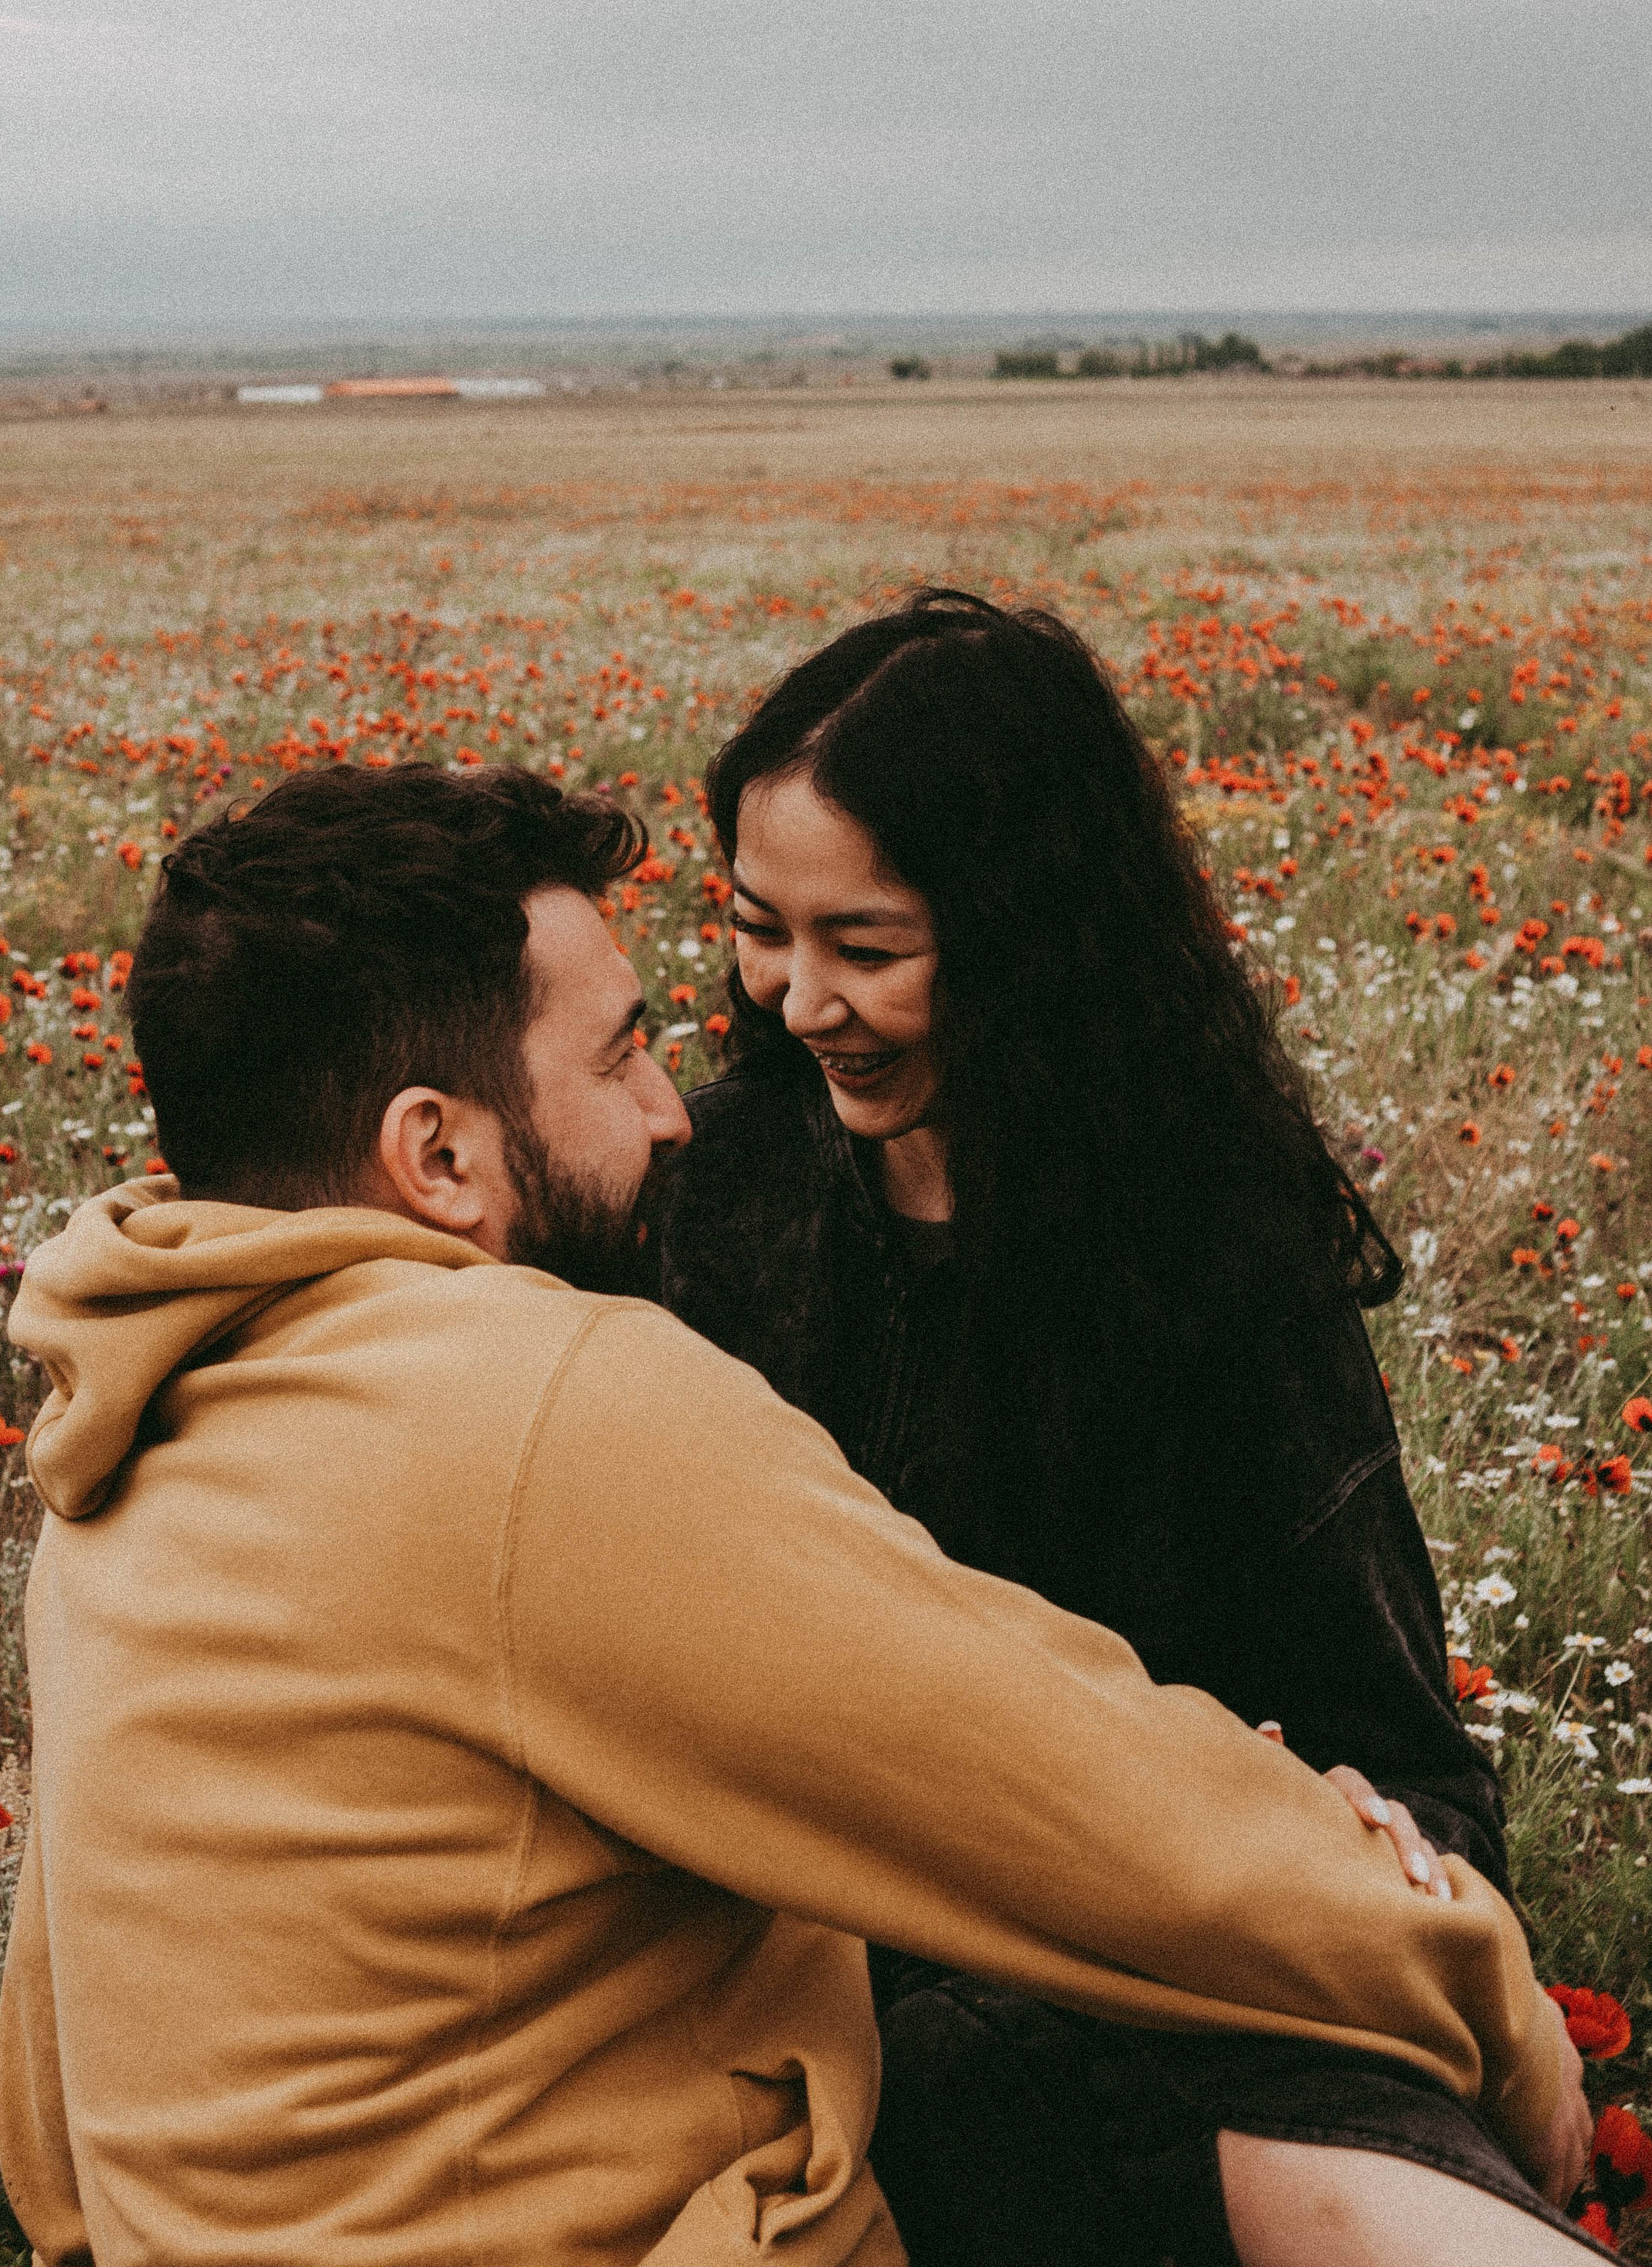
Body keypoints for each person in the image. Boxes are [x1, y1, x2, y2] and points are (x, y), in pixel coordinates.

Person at [0, 759, 1584, 2267]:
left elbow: (54, 2135)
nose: (674, 1111)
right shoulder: (543, 1411)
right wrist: (1491, 2011)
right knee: (1192, 2034)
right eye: (617, 1055)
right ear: (439, 1154)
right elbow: (1084, 1811)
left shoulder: (126, 1445)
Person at [654, 590, 1603, 2262]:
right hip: (793, 1964)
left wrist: (1367, 1842)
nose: (797, 1002)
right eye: (756, 928)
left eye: (865, 947)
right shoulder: (709, 1191)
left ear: (1024, 934)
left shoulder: (1199, 1247)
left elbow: (1403, 1760)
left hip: (1151, 1962)